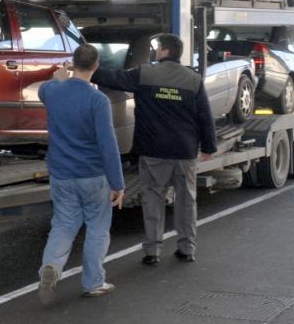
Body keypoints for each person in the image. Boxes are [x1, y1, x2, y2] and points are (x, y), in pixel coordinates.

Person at [92, 33, 216, 265]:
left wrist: (90, 69)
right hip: (184, 151)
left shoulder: (145, 73)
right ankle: (187, 249)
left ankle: (152, 251)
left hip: (153, 150)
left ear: (165, 51)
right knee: (186, 201)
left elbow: (115, 78)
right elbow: (204, 116)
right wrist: (209, 146)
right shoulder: (193, 79)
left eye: (158, 47)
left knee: (153, 199)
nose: (155, 50)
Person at [37, 44, 126, 304]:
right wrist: (118, 183)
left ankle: (51, 266)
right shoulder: (98, 100)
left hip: (61, 175)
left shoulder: (53, 92)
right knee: (97, 228)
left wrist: (59, 77)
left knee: (63, 225)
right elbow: (107, 144)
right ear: (96, 67)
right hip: (93, 175)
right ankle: (94, 283)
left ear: (73, 63)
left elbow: (44, 88)